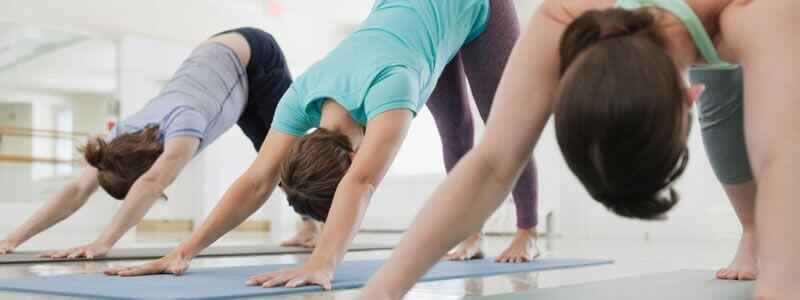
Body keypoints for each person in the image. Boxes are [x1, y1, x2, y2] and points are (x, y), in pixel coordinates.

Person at [360, 0, 800, 299]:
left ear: (689, 98)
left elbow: (782, 156)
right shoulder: (565, 13)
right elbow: (492, 163)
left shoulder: (756, 12)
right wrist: (381, 290)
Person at [104, 0, 540, 289]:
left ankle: (527, 232)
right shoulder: (302, 95)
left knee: (505, 122)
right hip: (419, 25)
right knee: (455, 129)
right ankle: (472, 234)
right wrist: (183, 252)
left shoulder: (392, 89)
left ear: (348, 156)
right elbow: (257, 181)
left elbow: (362, 183)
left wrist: (323, 264)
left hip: (474, 6)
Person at [0, 27, 293, 258]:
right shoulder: (121, 136)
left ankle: (309, 226)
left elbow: (152, 183)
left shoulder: (184, 124)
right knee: (267, 148)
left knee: (282, 155)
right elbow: (77, 189)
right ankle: (307, 226)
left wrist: (104, 242)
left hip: (256, 55)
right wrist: (13, 239)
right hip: (223, 60)